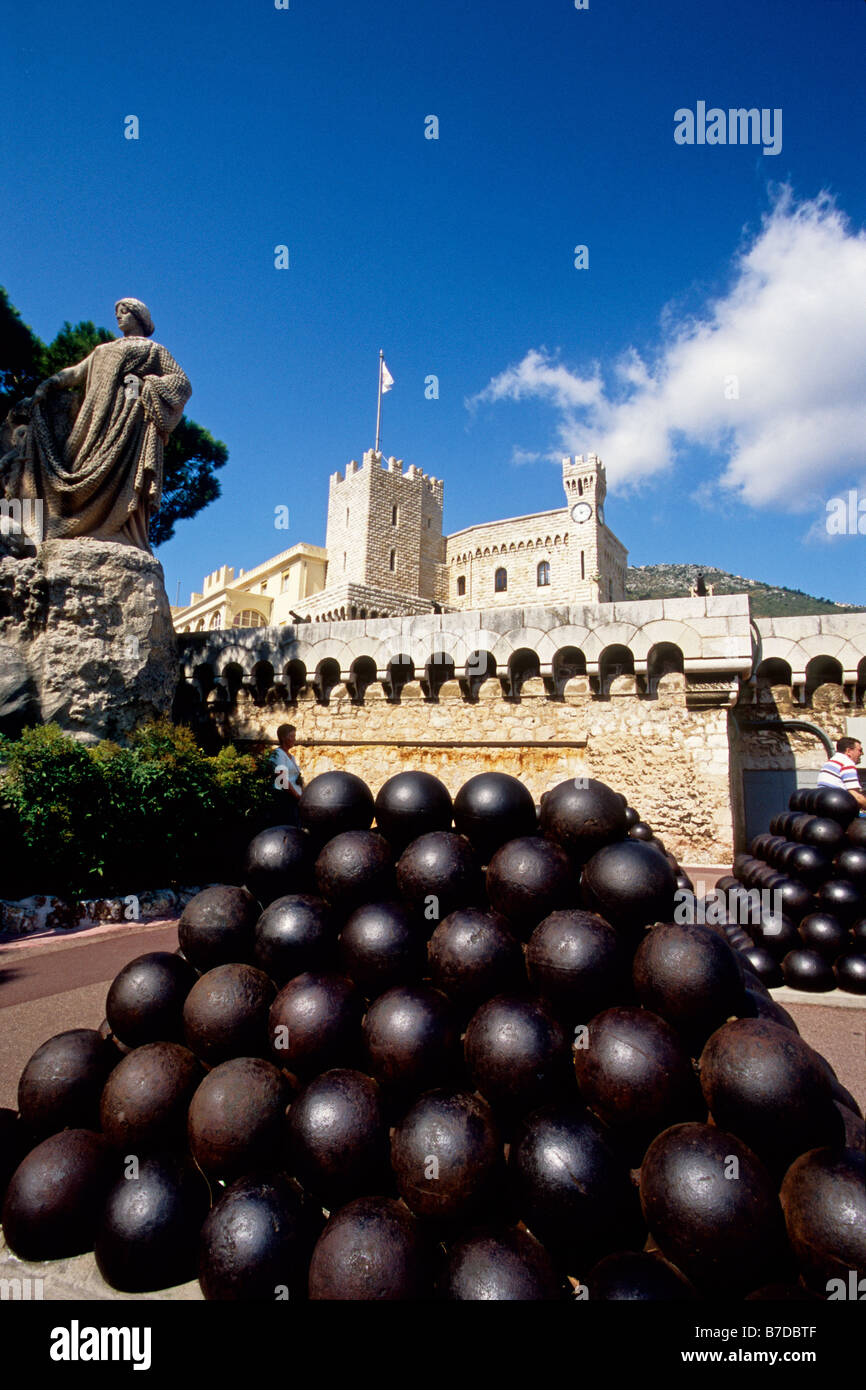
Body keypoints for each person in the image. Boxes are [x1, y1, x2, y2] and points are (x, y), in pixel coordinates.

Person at [16, 298, 191, 552]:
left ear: (138, 317)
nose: (118, 317)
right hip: (93, 421)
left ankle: (114, 529)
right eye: (117, 313)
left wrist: (146, 384)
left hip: (129, 421)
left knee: (122, 476)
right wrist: (48, 385)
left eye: (124, 312)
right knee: (76, 467)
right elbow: (76, 372)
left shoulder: (153, 350)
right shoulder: (103, 350)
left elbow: (182, 383)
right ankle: (71, 525)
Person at [817, 737, 866, 813]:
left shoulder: (829, 763)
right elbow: (857, 797)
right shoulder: (847, 763)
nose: (862, 754)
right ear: (849, 751)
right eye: (860, 750)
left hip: (825, 805)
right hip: (838, 808)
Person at [271, 724, 304, 825]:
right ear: (283, 738)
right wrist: (297, 796)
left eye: (294, 736)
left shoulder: (291, 756)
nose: (294, 739)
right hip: (286, 799)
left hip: (294, 799)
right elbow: (281, 780)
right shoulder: (278, 754)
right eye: (291, 736)